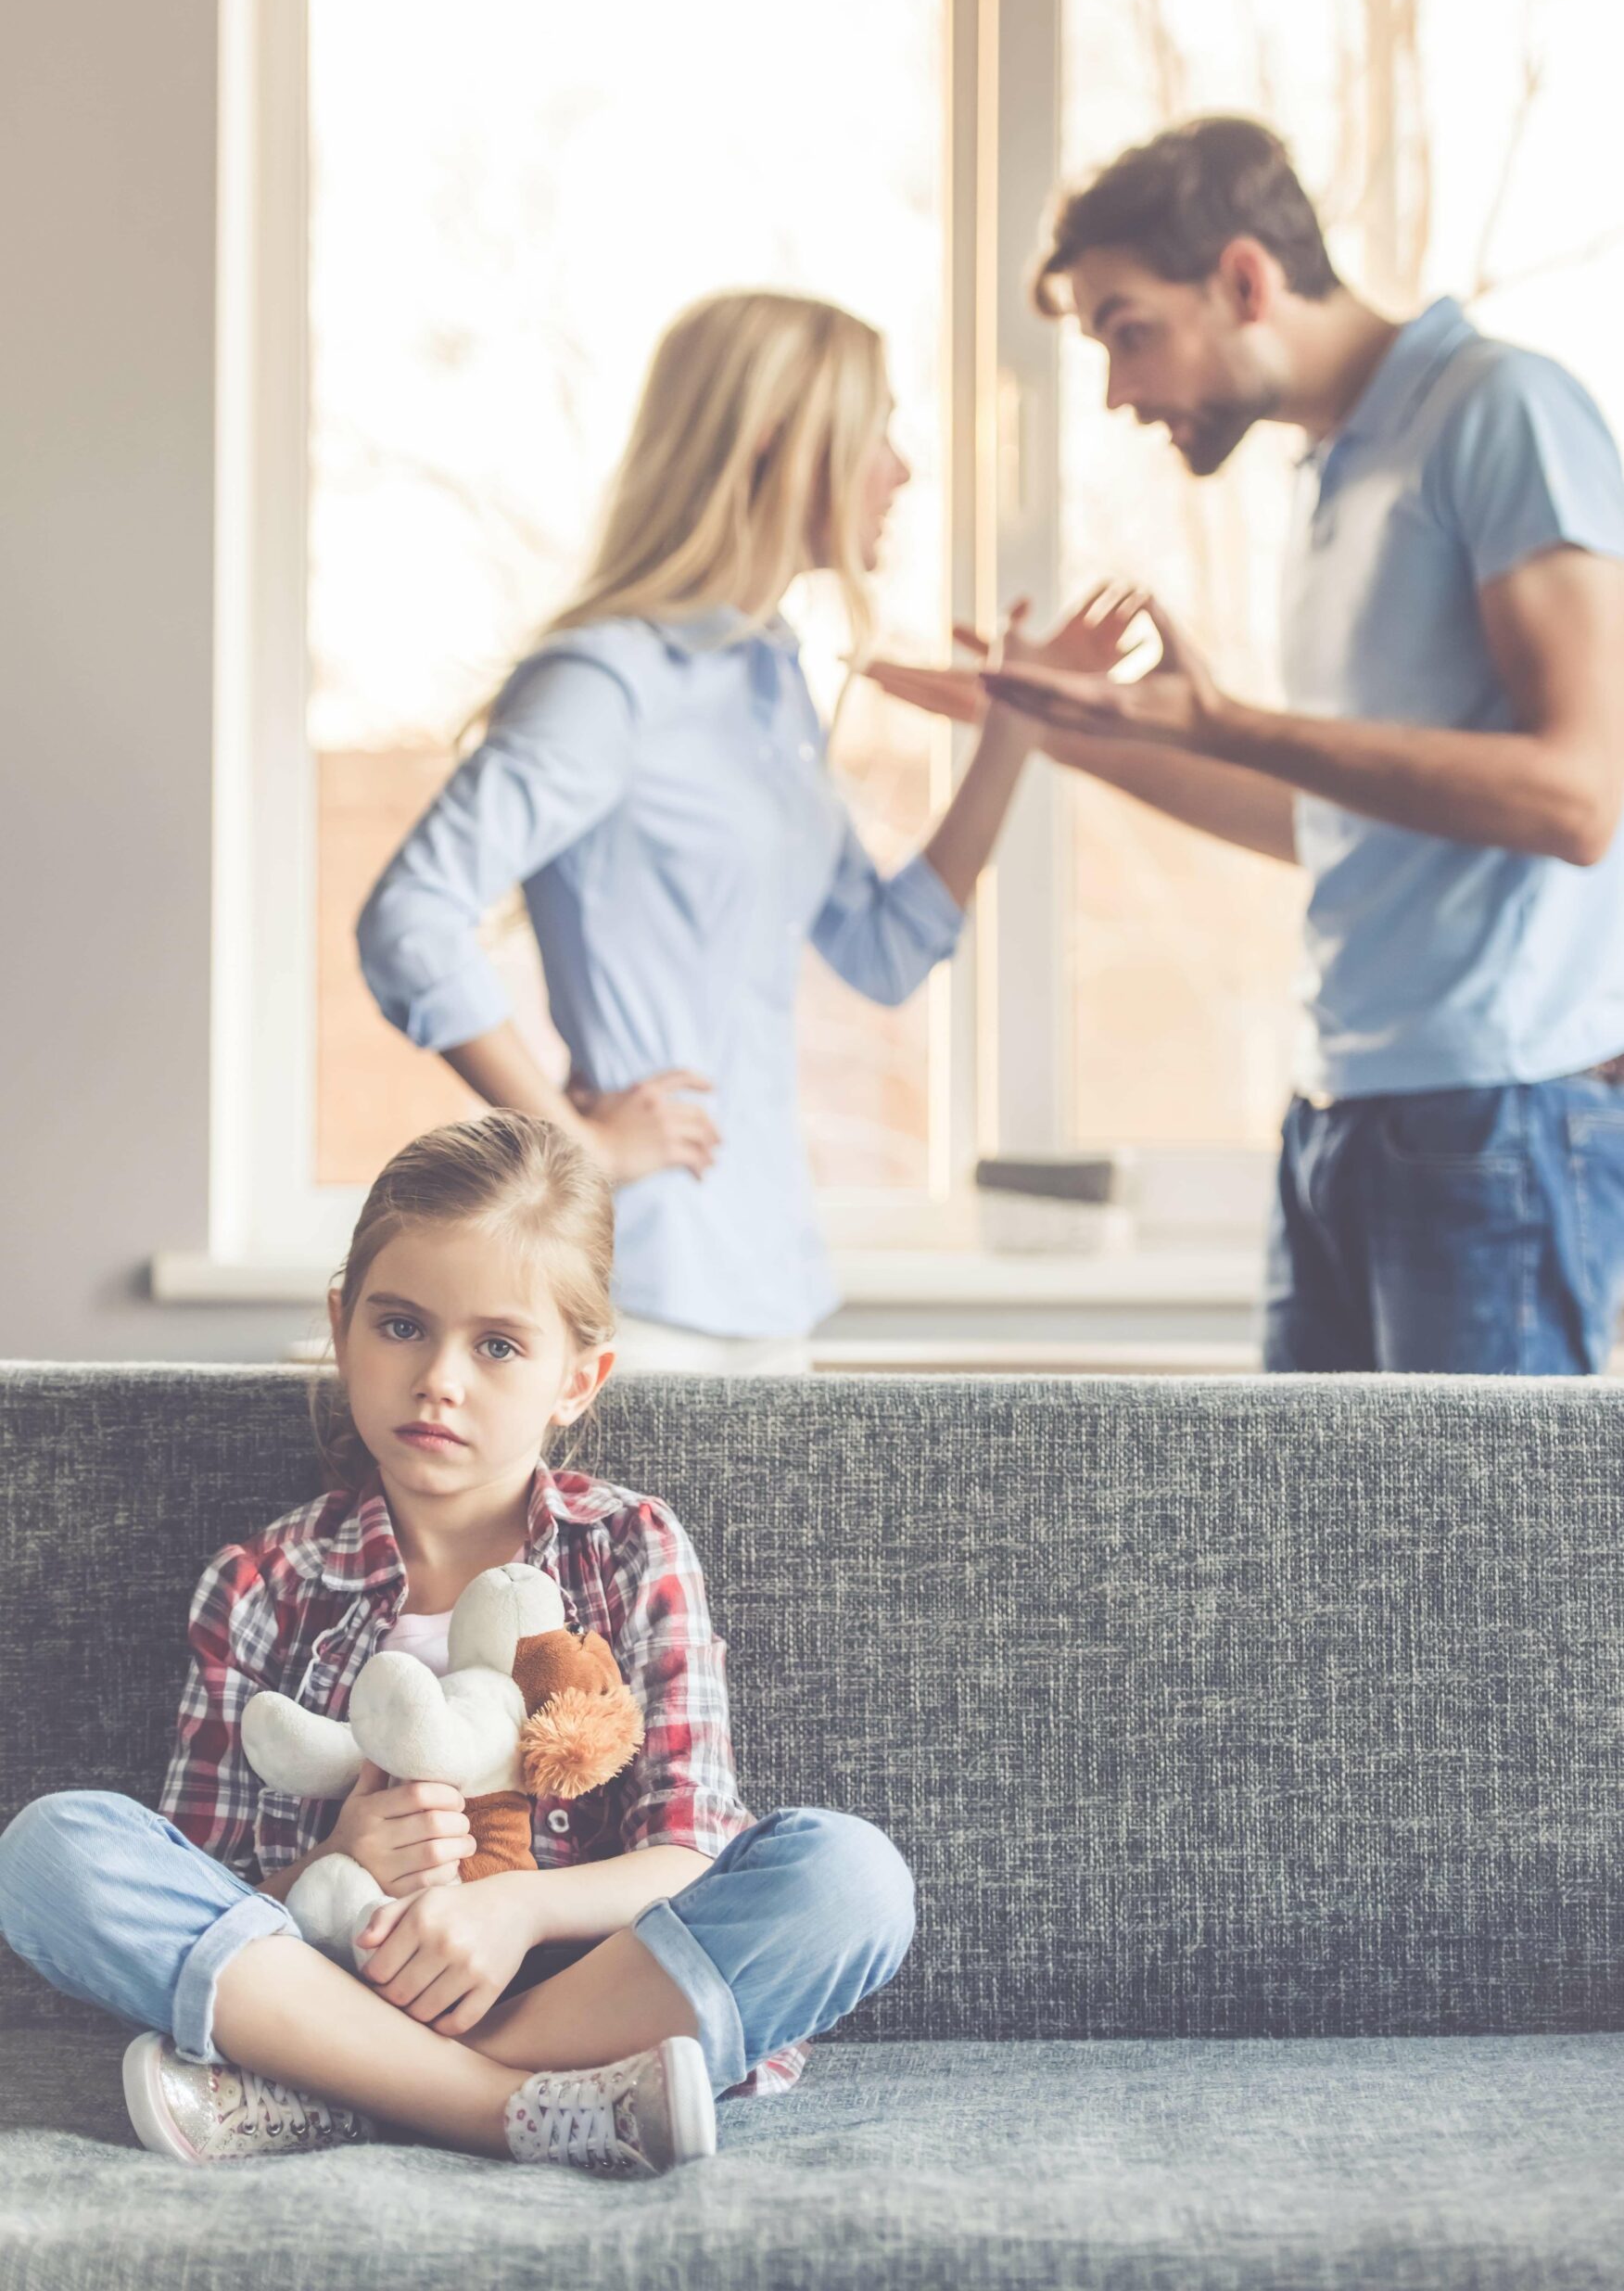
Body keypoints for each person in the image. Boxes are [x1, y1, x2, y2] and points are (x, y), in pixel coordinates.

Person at [0, 1114, 915, 2175]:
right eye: (400, 1326)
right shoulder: (263, 1583)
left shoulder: (629, 1548)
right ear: (343, 1325)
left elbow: (687, 1850)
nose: (441, 1377)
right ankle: (505, 2109)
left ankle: (349, 2094)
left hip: (590, 1988)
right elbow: (203, 1888)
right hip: (327, 1985)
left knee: (852, 1879)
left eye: (497, 1344)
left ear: (578, 1375)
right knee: (50, 1851)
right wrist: (337, 1854)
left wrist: (514, 1909)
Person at [878, 116, 1624, 1374]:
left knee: (1464, 1573)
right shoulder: (1336, 473)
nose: (1118, 391)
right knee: (1308, 1564)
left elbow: (1579, 795)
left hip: (1492, 1116)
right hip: (1343, 1114)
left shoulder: (1502, 411)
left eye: (1128, 331)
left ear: (1243, 279)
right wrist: (1062, 732)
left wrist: (1232, 722)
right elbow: (1327, 812)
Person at [356, 291, 1122, 1372]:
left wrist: (1012, 737)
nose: (900, 470)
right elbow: (409, 921)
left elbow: (888, 950)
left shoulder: (770, 688)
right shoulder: (606, 678)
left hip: (774, 1292)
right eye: (878, 430)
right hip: (638, 1300)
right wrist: (574, 1149)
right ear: (777, 440)